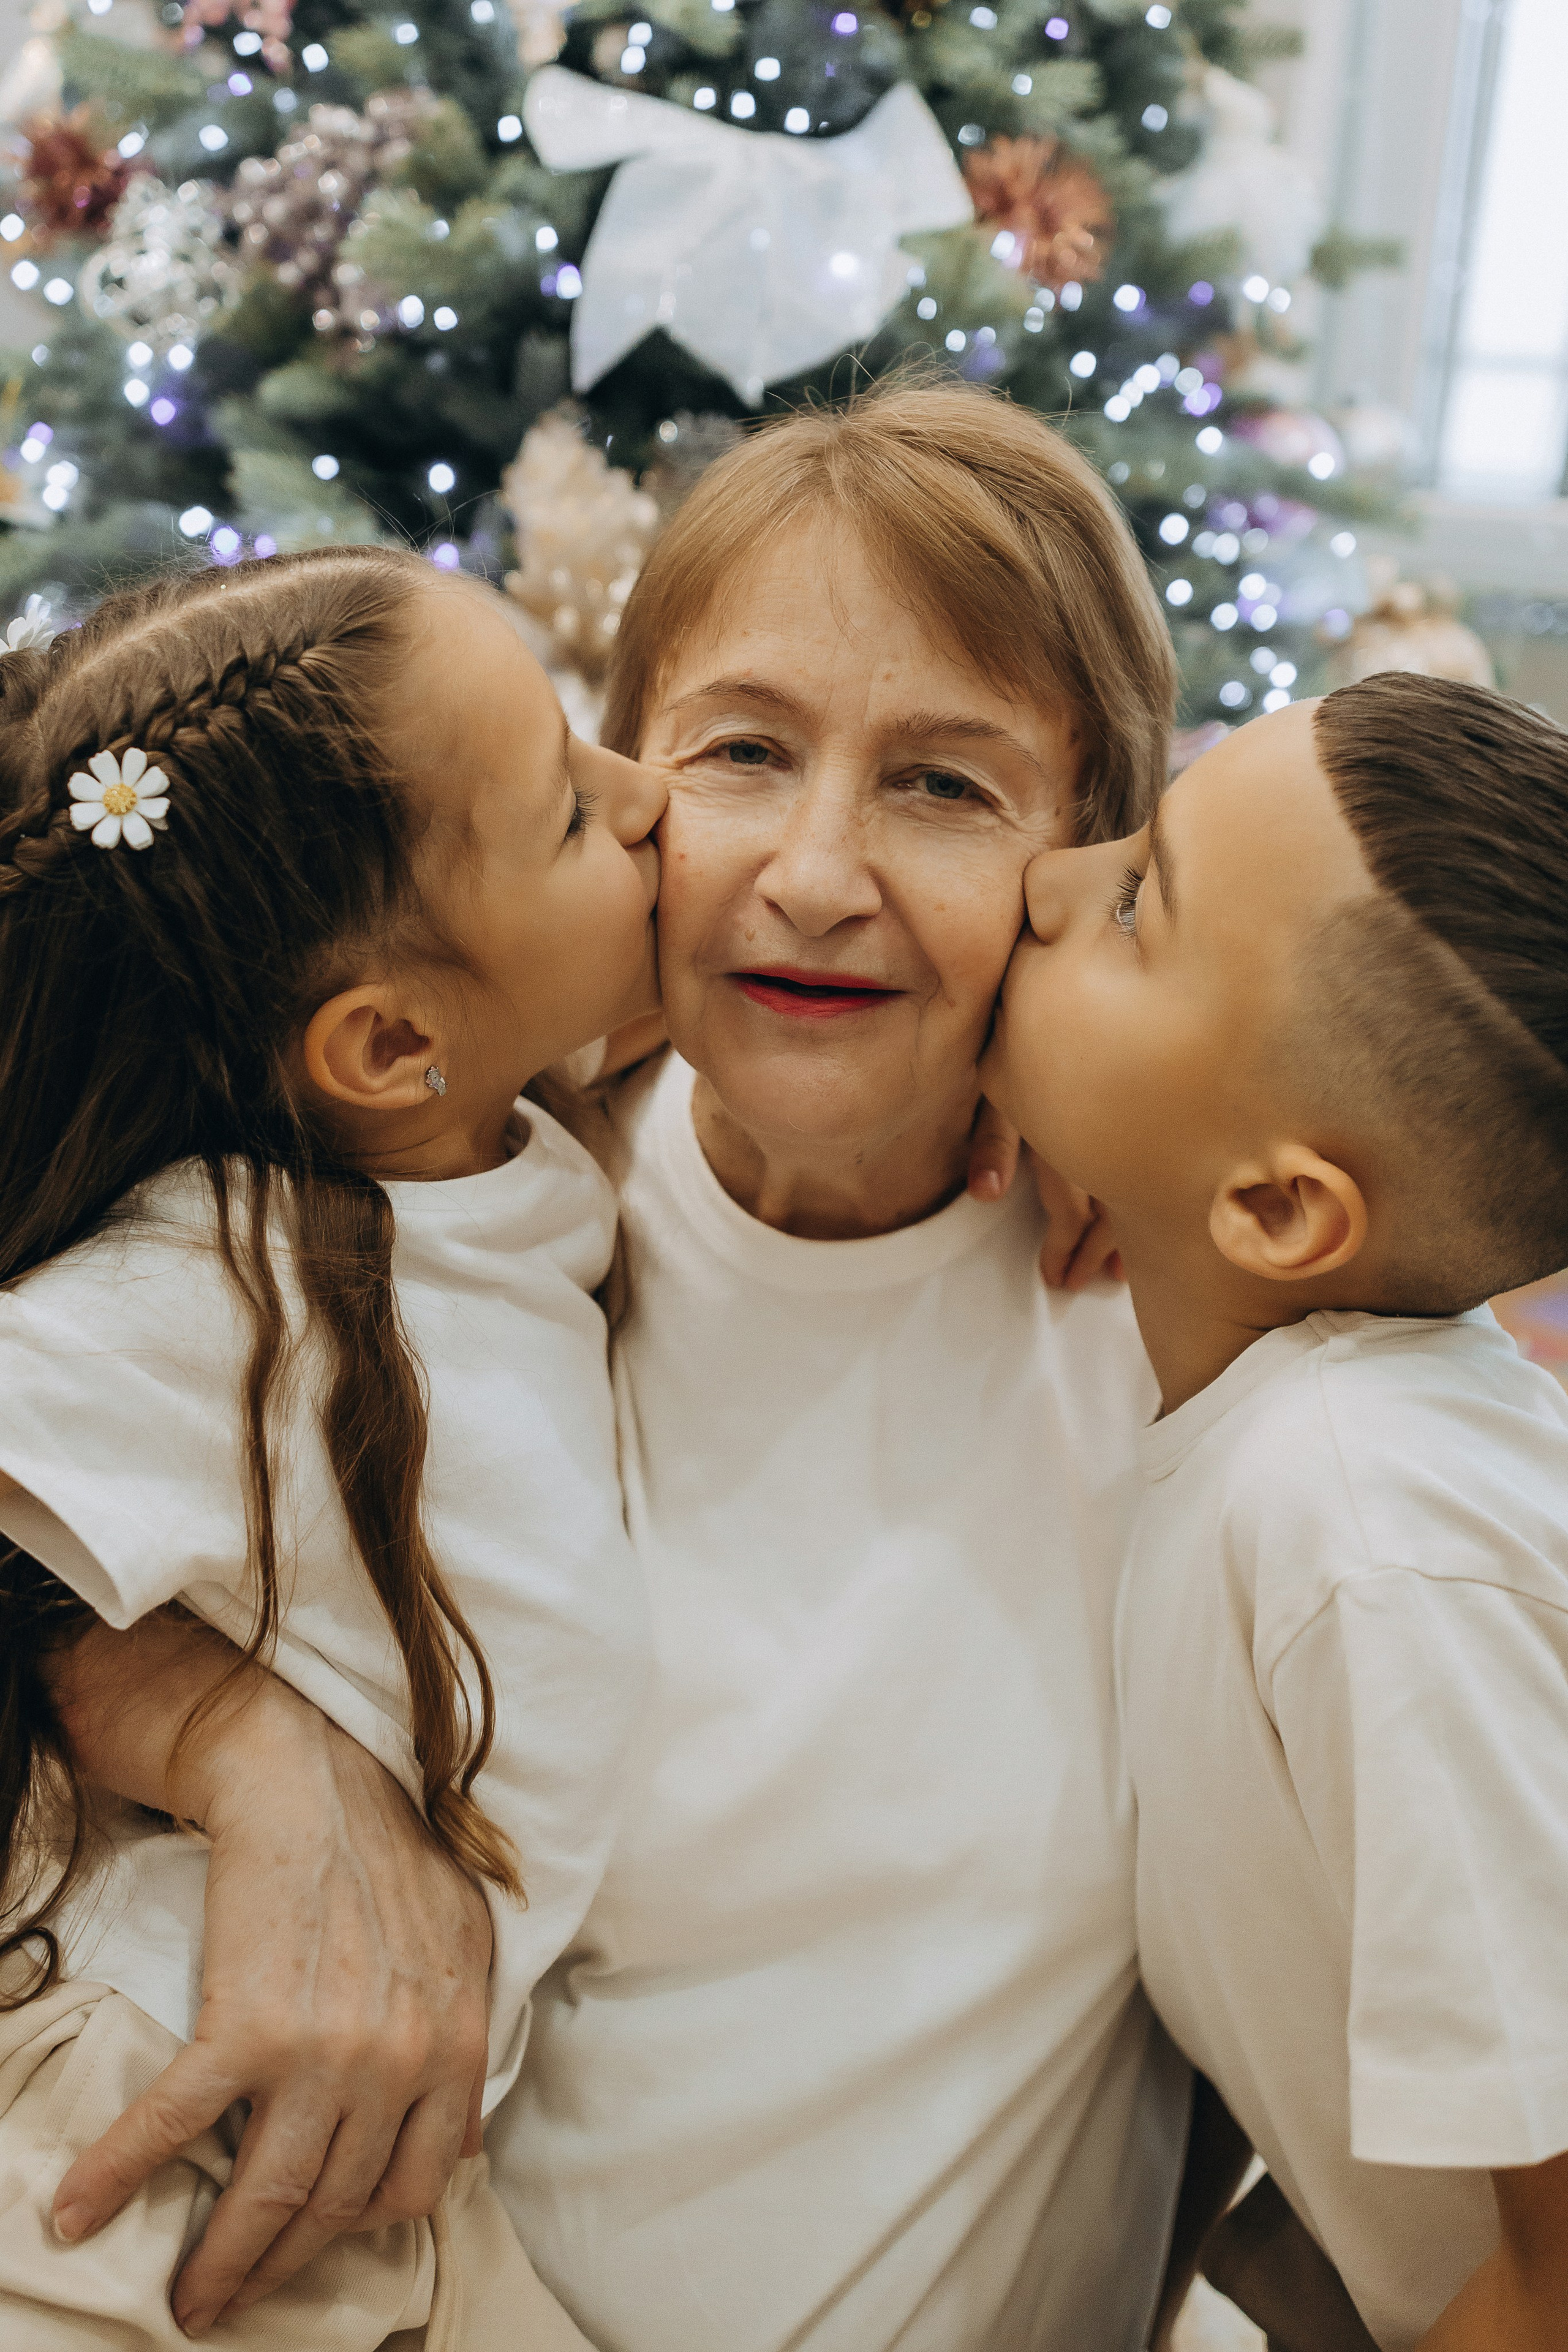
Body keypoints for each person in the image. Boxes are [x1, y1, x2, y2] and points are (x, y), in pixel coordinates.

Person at [48, 380, 1192, 2351]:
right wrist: (246, 1743)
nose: (815, 873)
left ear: (1086, 857)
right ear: (631, 778)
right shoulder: (438, 1200)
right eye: (744, 751)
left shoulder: (1181, 1320)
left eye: (945, 785)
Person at [0, 546, 663, 2346]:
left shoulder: (494, 1134)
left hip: (384, 2182)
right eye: (568, 811)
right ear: (386, 1040)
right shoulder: (234, 1272)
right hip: (123, 2138)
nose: (647, 793)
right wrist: (236, 1725)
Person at [979, 672, 1568, 2351]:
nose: (1043, 880)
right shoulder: (1281, 1447)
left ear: (1279, 1208)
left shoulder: (1370, 1530)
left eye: (1136, 901)